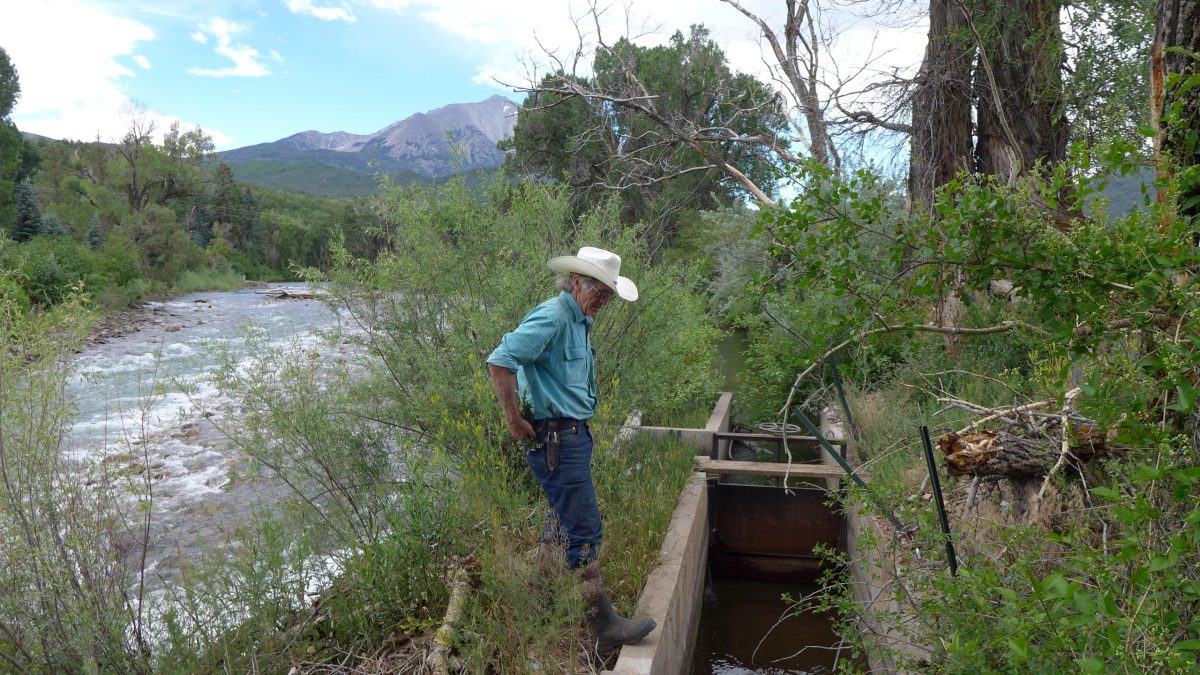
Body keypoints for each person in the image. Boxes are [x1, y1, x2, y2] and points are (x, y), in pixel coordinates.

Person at [487, 246, 656, 656]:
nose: (602, 302)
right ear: (576, 282)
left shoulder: (579, 320)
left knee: (561, 523)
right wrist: (513, 419)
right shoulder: (555, 315)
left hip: (572, 437)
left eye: (607, 296)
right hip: (556, 439)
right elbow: (501, 360)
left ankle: (539, 607)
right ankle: (603, 627)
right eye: (597, 292)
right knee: (583, 530)